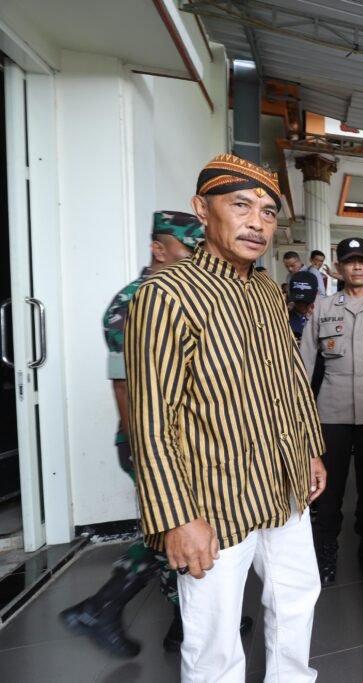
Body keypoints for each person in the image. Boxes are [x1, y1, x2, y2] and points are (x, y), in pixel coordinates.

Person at [125, 153, 328, 683]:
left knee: (297, 597)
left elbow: (290, 375)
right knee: (213, 638)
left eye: (268, 212)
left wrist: (310, 449)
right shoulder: (165, 295)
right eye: (240, 206)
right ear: (202, 209)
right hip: (212, 501)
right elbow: (151, 420)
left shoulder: (266, 289)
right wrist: (177, 518)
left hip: (282, 484)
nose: (257, 223)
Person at [60, 211, 216, 658]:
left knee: (174, 527)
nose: (198, 258)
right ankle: (105, 608)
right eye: (190, 250)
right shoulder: (135, 302)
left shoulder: (180, 295)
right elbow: (125, 385)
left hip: (184, 439)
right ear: (158, 249)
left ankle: (179, 622)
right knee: (171, 528)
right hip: (152, 443)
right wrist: (147, 455)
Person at [299, 237, 363, 584]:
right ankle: (327, 549)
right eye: (349, 261)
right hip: (331, 412)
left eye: (362, 261)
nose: (356, 267)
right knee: (328, 490)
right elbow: (304, 366)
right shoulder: (322, 308)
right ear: (339, 268)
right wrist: (300, 416)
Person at [287, 270, 320, 341]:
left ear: (317, 293)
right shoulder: (284, 318)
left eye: (306, 302)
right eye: (298, 301)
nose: (302, 305)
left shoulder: (321, 317)